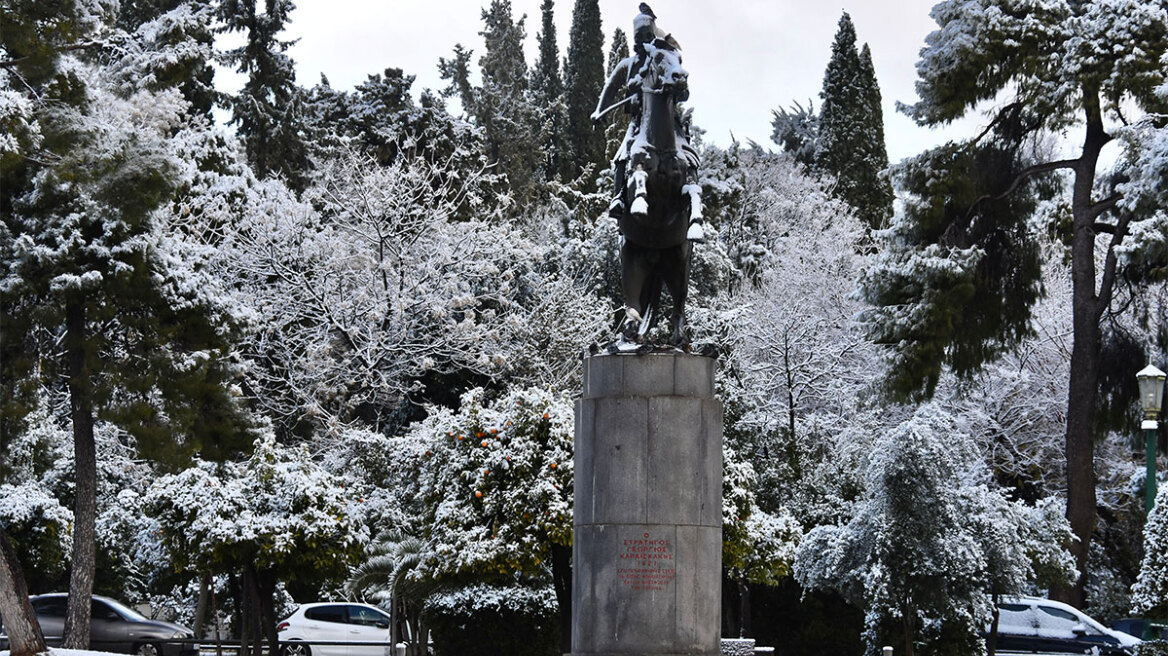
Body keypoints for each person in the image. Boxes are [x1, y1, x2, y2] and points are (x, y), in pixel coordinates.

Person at [592, 6, 682, 219]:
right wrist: (599, 111)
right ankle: (618, 197)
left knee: (687, 154)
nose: (643, 40)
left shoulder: (662, 58)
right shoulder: (628, 65)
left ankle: (692, 195)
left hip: (667, 121)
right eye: (639, 36)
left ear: (653, 35)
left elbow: (678, 81)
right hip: (639, 121)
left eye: (647, 36)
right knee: (622, 156)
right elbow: (610, 88)